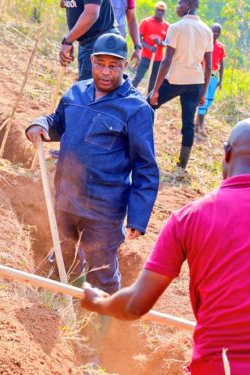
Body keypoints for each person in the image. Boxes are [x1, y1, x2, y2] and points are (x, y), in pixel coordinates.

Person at [82, 118, 250, 374]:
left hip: (217, 366)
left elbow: (137, 304)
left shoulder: (188, 217)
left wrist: (102, 303)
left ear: (226, 153)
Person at [26, 33, 159, 295]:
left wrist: (138, 217)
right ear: (92, 62)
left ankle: (101, 326)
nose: (106, 72)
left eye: (113, 65)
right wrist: (40, 124)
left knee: (101, 271)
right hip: (66, 196)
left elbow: (146, 168)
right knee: (62, 252)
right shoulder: (77, 92)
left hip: (104, 210)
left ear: (125, 66)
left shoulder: (136, 108)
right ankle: (53, 306)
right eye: (100, 64)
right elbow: (57, 122)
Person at [148, 0, 213, 170]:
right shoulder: (207, 30)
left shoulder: (176, 27)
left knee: (147, 106)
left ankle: (142, 147)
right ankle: (182, 165)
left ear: (188, 6)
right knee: (188, 123)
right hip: (196, 83)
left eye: (179, 3)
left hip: (175, 80)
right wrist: (204, 93)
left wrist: (155, 90)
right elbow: (208, 67)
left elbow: (167, 61)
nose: (177, 7)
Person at [59, 0, 141, 81]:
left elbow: (91, 14)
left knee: (91, 89)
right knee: (85, 86)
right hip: (86, 41)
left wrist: (68, 41)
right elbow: (64, 4)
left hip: (103, 43)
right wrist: (71, 38)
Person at [195, 23, 225, 136]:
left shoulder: (221, 47)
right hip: (203, 76)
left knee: (209, 101)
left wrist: (220, 80)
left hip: (214, 77)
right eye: (214, 31)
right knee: (204, 99)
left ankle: (198, 123)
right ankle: (201, 126)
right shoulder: (204, 44)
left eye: (218, 32)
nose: (215, 33)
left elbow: (222, 64)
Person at [131, 1, 169, 93]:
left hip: (158, 59)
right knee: (138, 78)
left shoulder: (167, 26)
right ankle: (128, 95)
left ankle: (149, 102)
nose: (160, 12)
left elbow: (167, 43)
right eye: (158, 10)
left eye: (162, 11)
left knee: (153, 82)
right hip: (145, 57)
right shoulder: (146, 22)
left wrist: (160, 43)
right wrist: (149, 47)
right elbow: (139, 38)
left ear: (164, 13)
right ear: (155, 10)